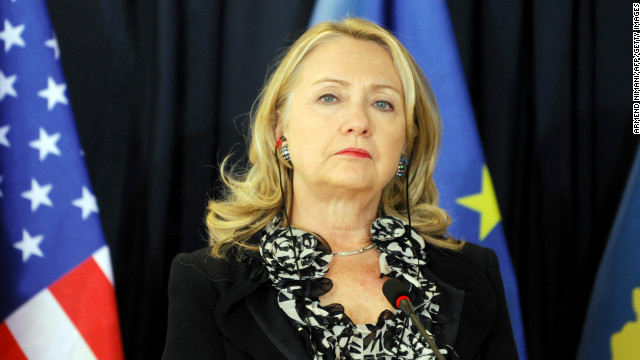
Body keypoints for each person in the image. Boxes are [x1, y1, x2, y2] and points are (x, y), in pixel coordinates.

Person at [162, 18, 518, 360]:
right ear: (278, 129)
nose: (358, 123)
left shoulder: (474, 274)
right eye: (330, 97)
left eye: (383, 103)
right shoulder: (208, 282)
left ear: (406, 144)